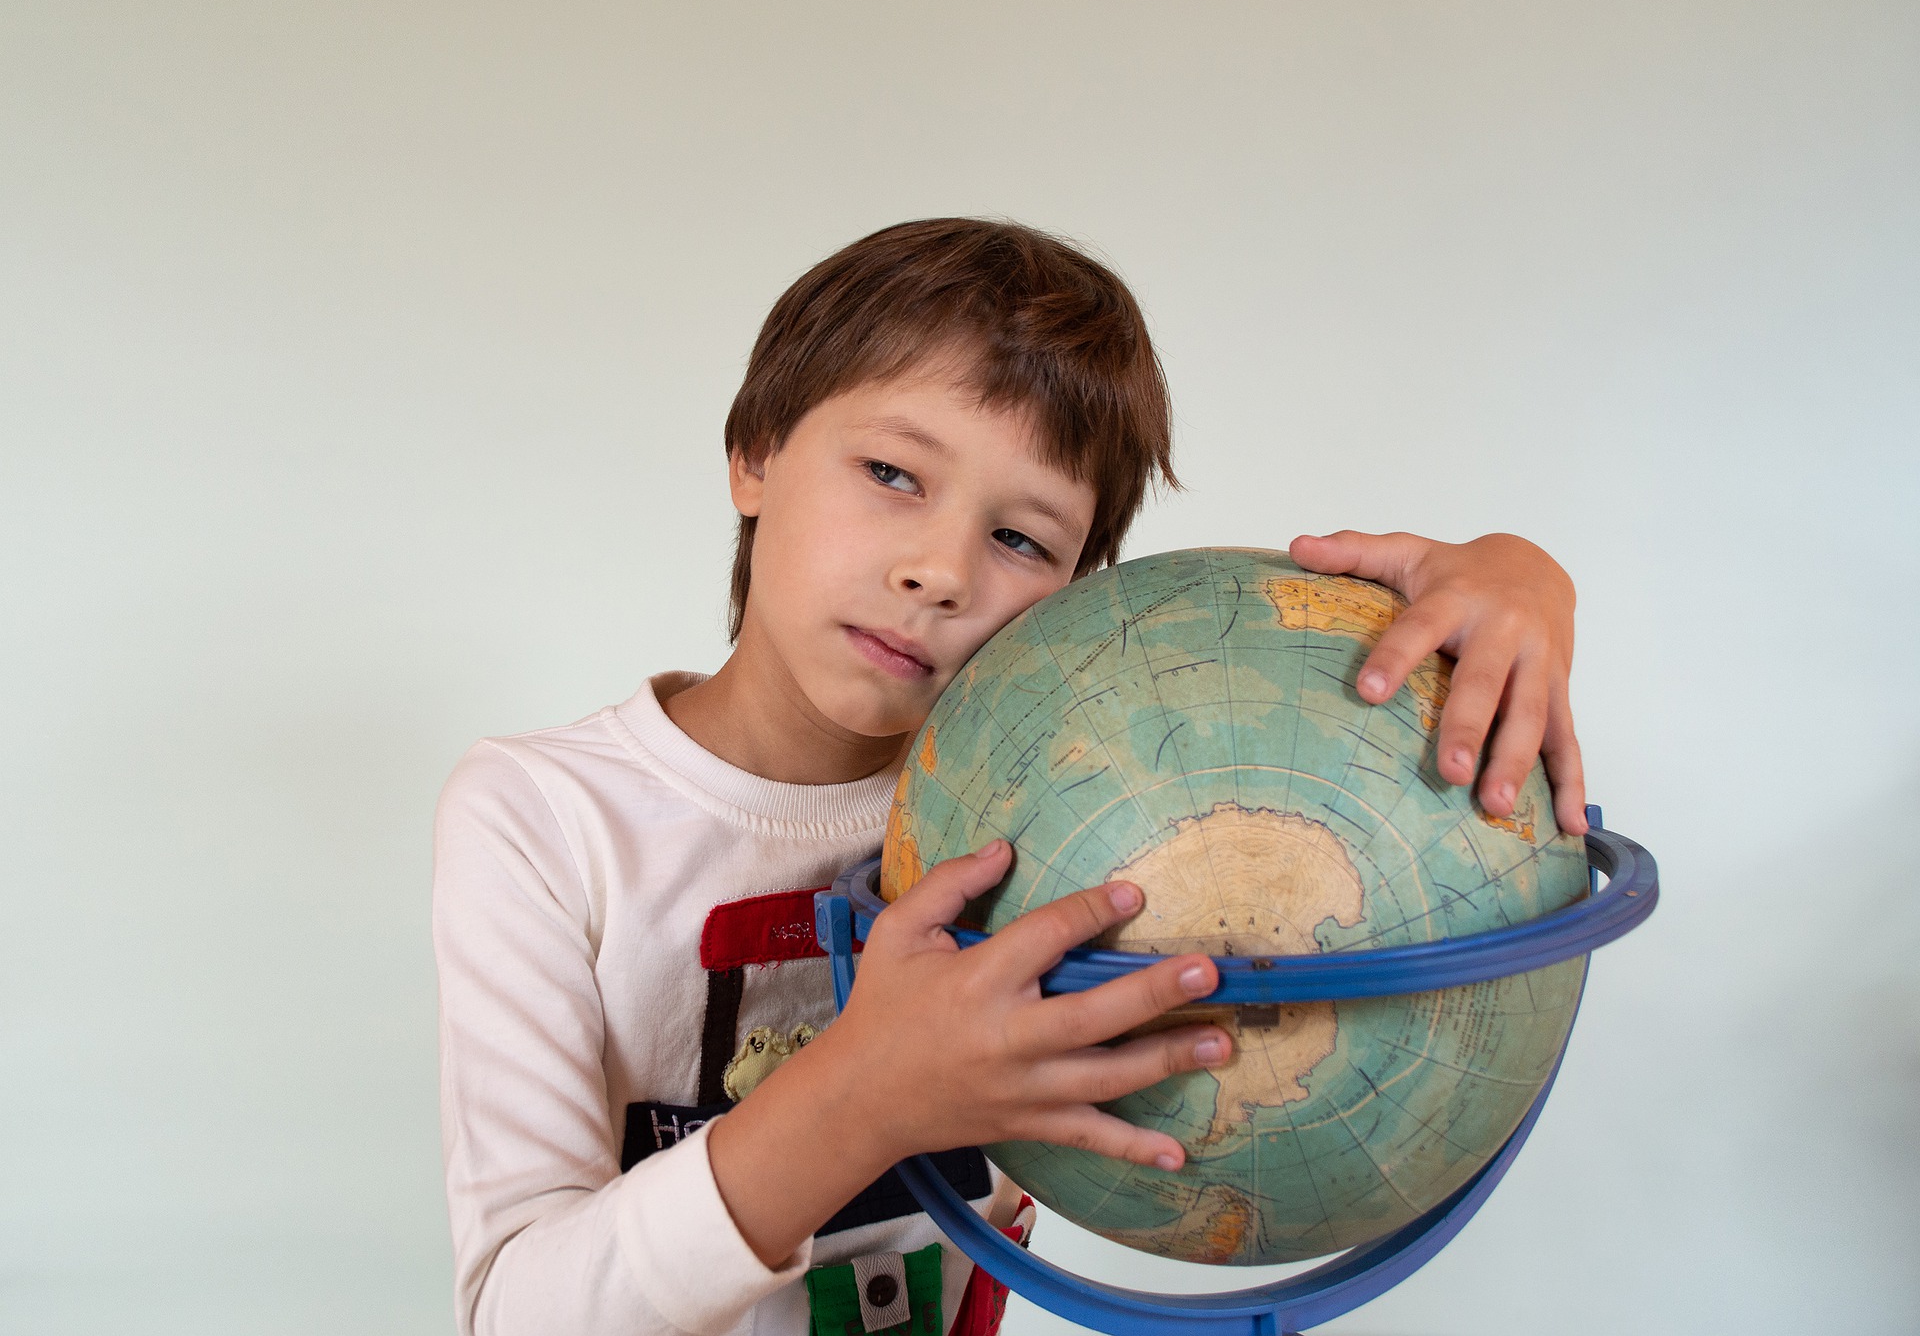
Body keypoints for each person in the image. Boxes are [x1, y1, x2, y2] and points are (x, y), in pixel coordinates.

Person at [431, 218, 1586, 1336]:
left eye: (1023, 539)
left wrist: (1523, 575)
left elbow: (1291, 691)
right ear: (755, 454)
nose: (942, 571)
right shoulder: (542, 816)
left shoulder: (1078, 803)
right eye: (893, 471)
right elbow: (517, 1313)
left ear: (1078, 599)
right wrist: (862, 1096)